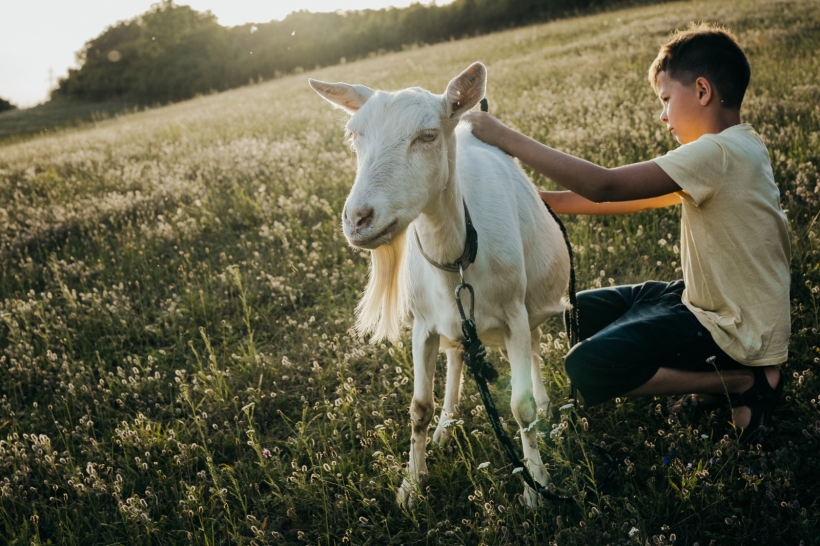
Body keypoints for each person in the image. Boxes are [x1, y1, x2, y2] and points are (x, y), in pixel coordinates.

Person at [463, 23, 790, 444]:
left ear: (703, 91)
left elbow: (606, 185)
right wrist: (534, 199)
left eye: (667, 100)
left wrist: (502, 136)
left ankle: (739, 382)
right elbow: (623, 199)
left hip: (736, 328)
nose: (663, 115)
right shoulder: (738, 148)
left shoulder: (718, 153)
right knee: (574, 314)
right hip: (705, 301)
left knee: (588, 366)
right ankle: (713, 373)